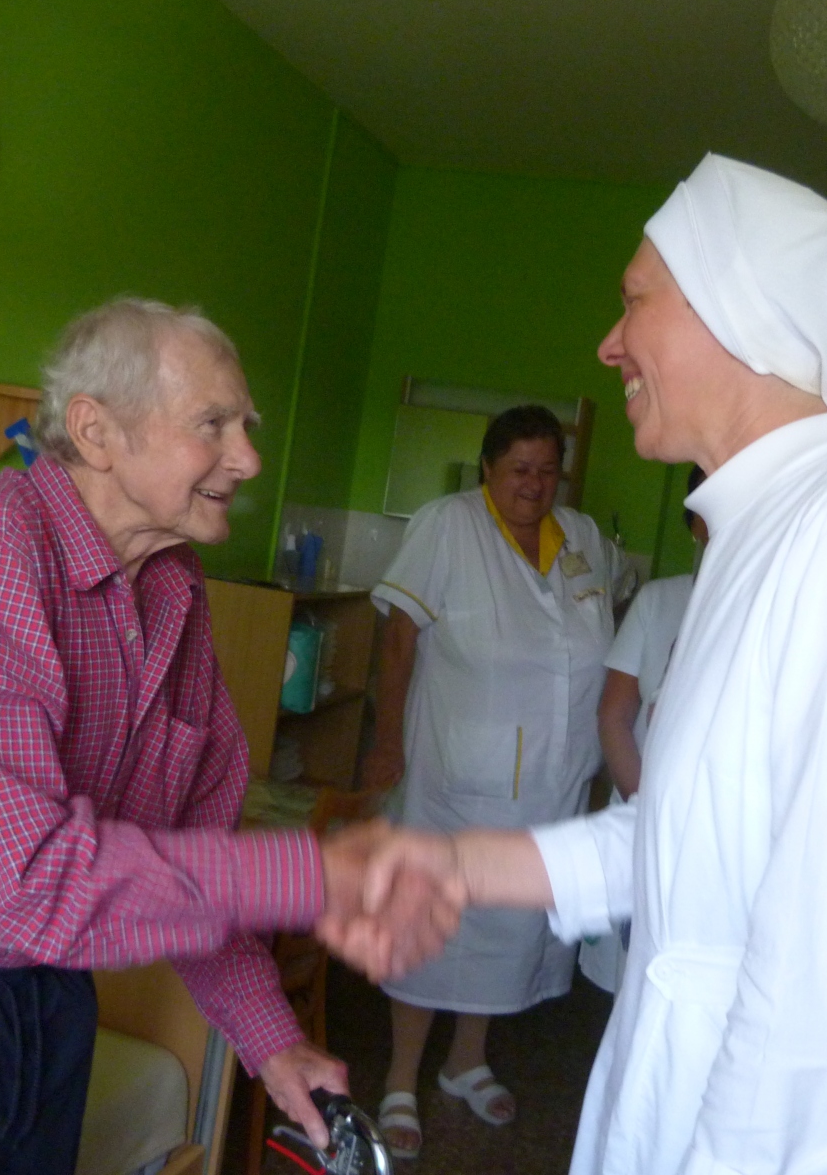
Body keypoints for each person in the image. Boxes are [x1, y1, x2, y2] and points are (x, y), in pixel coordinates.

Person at [328, 154, 827, 1174]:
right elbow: (700, 836)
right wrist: (459, 867)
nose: (610, 342)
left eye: (635, 301)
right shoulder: (770, 529)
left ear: (739, 311)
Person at [0, 299, 451, 1175]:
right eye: (213, 423)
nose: (248, 457)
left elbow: (190, 849)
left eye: (246, 425)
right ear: (96, 431)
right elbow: (24, 880)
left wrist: (271, 1037)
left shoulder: (173, 591)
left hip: (48, 1008)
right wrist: (317, 874)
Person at [359, 405, 617, 1157]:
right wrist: (386, 741)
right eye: (519, 470)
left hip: (553, 777)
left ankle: (466, 1062)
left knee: (510, 922)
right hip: (456, 772)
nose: (535, 484)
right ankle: (400, 1078)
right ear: (488, 469)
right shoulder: (449, 524)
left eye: (548, 471)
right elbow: (399, 636)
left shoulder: (583, 538)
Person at [579, 466, 706, 994]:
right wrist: (645, 807)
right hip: (644, 812)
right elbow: (614, 716)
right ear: (694, 522)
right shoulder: (660, 601)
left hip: (717, 837)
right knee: (632, 983)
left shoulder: (783, 605)